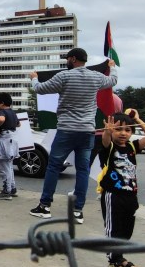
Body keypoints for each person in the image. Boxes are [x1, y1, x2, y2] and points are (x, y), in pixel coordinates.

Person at [28, 48, 118, 223]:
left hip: (66, 130)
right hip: (87, 131)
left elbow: (39, 89)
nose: (66, 61)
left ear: (73, 59)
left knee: (53, 167)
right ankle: (77, 211)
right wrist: (112, 66)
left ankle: (45, 206)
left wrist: (34, 78)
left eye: (67, 59)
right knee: (83, 170)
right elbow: (113, 80)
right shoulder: (96, 77)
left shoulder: (64, 76)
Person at [96, 110, 145, 267]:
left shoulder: (131, 147)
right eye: (118, 129)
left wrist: (137, 119)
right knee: (113, 230)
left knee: (126, 230)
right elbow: (105, 141)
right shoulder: (109, 148)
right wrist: (107, 132)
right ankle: (113, 262)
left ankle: (120, 257)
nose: (123, 133)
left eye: (127, 130)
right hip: (113, 195)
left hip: (130, 196)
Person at [0, 92, 20, 201]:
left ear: (2, 103)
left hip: (4, 138)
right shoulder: (13, 112)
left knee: (4, 166)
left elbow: (1, 120)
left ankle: (6, 191)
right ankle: (12, 188)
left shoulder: (2, 112)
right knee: (9, 166)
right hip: (13, 138)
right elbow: (18, 124)